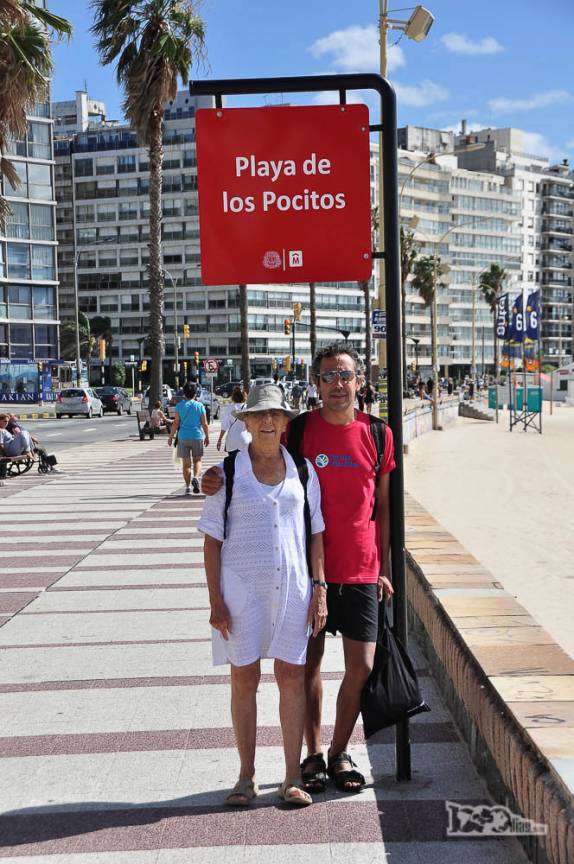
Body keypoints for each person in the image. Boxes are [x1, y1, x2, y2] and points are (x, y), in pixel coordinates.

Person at [202, 343, 396, 795]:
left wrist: (385, 566)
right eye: (327, 376)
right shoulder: (301, 432)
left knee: (361, 666)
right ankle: (307, 758)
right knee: (303, 668)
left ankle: (339, 750)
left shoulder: (379, 434)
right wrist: (213, 474)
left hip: (358, 569)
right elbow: (254, 461)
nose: (337, 383)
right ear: (316, 384)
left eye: (344, 375)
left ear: (358, 381)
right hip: (304, 579)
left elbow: (385, 509)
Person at [198, 384, 327, 808]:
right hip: (241, 593)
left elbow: (316, 534)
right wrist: (216, 601)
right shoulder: (228, 472)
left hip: (293, 589)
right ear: (247, 423)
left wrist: (320, 589)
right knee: (244, 678)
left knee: (291, 677)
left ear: (286, 422)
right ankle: (246, 776)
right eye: (259, 416)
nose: (268, 422)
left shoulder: (304, 471)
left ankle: (292, 776)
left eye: (275, 415)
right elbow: (212, 538)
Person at [168, 382, 209, 495]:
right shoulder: (200, 406)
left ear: (184, 393)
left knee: (186, 464)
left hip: (183, 437)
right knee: (198, 460)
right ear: (195, 393)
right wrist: (207, 437)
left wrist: (171, 437)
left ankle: (187, 488)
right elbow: (204, 423)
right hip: (197, 436)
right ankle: (196, 477)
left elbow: (176, 423)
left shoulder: (179, 406)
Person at [217, 386, 250, 453]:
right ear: (244, 396)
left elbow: (224, 426)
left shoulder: (230, 408)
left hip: (232, 441)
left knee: (232, 462)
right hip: (245, 439)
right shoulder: (248, 408)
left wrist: (220, 439)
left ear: (233, 397)